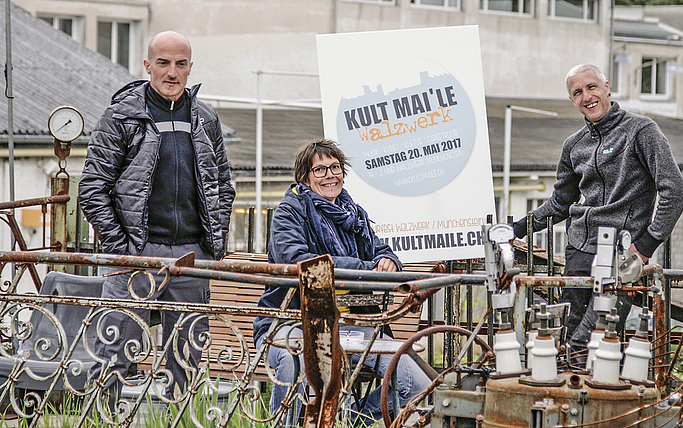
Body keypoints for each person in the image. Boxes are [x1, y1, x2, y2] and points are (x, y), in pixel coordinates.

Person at [79, 31, 235, 407]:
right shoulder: (122, 116)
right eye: (163, 63)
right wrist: (123, 249)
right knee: (114, 349)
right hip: (136, 255)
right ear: (147, 65)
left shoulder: (205, 118)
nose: (172, 72)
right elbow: (93, 188)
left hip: (190, 257)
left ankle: (177, 417)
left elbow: (223, 187)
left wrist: (211, 247)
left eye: (180, 64)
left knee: (186, 359)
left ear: (190, 67)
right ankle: (104, 417)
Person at [513, 64, 683, 357]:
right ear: (572, 100)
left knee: (595, 337)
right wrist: (516, 230)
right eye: (577, 92)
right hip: (579, 250)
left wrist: (644, 247)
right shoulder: (573, 145)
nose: (586, 96)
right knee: (569, 336)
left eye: (591, 87)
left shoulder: (640, 131)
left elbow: (675, 191)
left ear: (607, 87)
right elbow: (560, 204)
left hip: (621, 254)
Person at [253, 139, 429, 425]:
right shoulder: (290, 212)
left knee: (416, 385)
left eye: (335, 167)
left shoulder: (353, 214)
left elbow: (381, 250)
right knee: (293, 364)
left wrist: (389, 261)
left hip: (353, 325)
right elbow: (297, 259)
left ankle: (346, 421)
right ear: (305, 177)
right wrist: (366, 268)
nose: (330, 175)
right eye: (320, 170)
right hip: (292, 323)